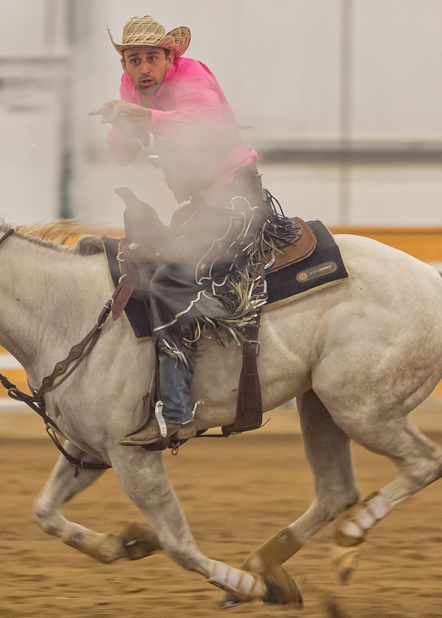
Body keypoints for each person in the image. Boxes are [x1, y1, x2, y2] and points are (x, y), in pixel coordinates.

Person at [94, 15, 300, 446]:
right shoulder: (131, 91)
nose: (144, 68)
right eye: (135, 60)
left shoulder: (193, 76)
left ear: (170, 58)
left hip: (234, 197)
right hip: (202, 204)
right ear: (125, 67)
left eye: (152, 57)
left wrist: (141, 115)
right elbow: (124, 153)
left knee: (171, 279)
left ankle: (177, 410)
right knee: (145, 266)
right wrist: (124, 123)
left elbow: (202, 125)